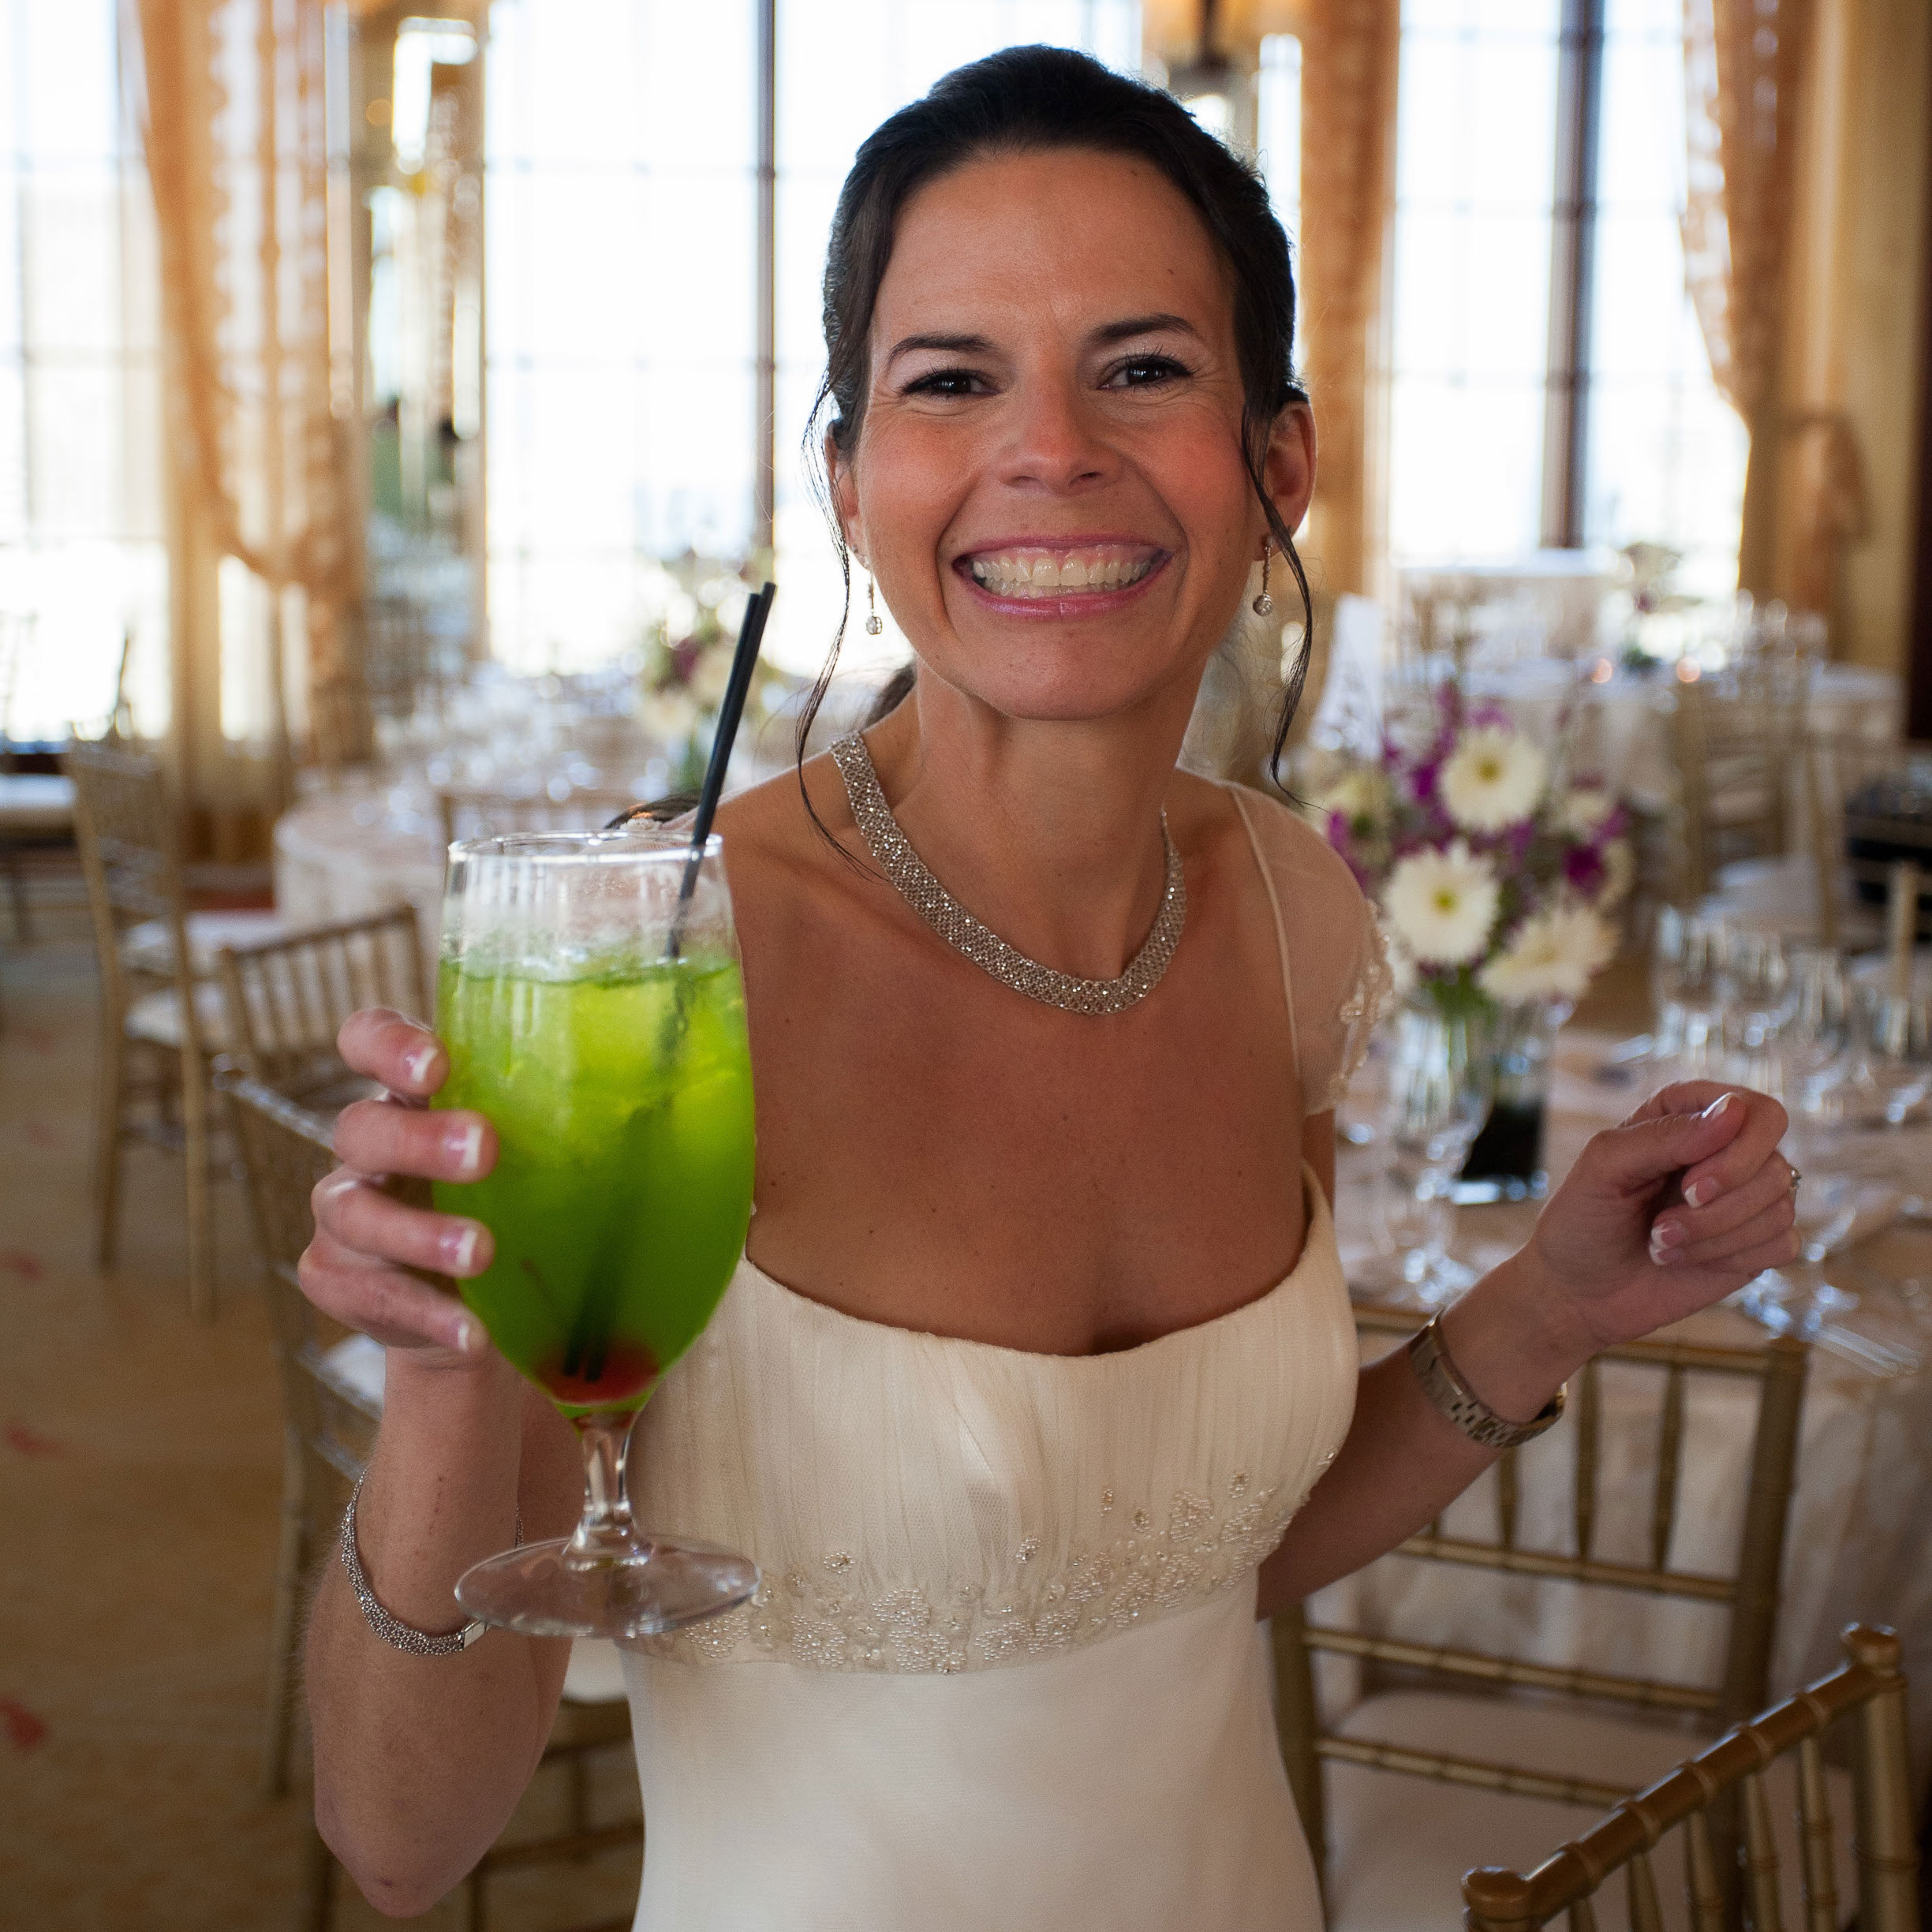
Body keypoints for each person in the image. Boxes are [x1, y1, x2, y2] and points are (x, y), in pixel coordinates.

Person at [297, 47, 1799, 1931]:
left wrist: (1557, 1304)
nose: (1054, 450)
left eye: (1144, 367)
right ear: (851, 481)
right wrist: (444, 1377)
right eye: (951, 380)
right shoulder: (664, 966)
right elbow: (401, 1836)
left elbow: (1202, 1562)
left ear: (1277, 464)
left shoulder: (1285, 913)